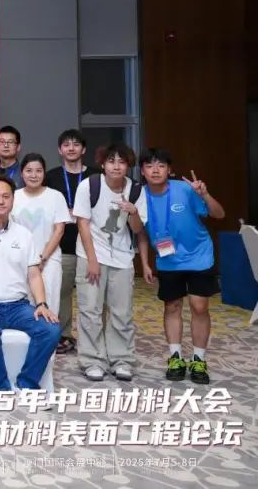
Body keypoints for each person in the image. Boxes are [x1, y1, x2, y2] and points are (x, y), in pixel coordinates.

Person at [0, 176, 60, 392]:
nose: (1, 201)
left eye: (6, 196)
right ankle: (0, 388)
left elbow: (34, 275)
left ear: (13, 200)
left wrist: (41, 304)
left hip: (19, 306)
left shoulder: (24, 235)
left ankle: (27, 383)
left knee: (51, 329)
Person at [138, 148, 225, 384]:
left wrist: (205, 194)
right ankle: (175, 357)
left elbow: (219, 214)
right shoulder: (140, 195)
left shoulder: (186, 189)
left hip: (199, 256)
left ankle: (199, 359)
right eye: (149, 166)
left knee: (199, 306)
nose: (155, 170)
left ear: (170, 170)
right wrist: (145, 263)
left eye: (161, 165)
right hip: (167, 260)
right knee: (172, 306)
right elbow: (142, 233)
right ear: (142, 171)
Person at [71, 143, 147, 382]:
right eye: (111, 161)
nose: (116, 166)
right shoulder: (90, 185)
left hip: (123, 258)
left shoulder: (136, 190)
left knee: (122, 312)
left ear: (128, 165)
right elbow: (82, 224)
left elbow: (138, 229)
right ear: (103, 164)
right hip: (90, 255)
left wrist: (133, 211)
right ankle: (92, 360)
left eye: (121, 162)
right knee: (90, 310)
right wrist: (92, 260)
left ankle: (122, 360)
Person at [44, 128, 95, 354]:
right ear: (60, 150)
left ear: (83, 149)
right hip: (62, 245)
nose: (71, 148)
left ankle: (90, 338)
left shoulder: (96, 177)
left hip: (91, 247)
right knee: (61, 294)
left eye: (76, 144)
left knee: (90, 296)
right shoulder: (51, 177)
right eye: (66, 145)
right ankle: (64, 335)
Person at [11, 154, 72, 316]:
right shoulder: (14, 197)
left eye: (38, 171)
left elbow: (59, 230)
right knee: (23, 305)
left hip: (49, 260)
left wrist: (42, 258)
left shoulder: (55, 196)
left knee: (49, 304)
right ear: (22, 173)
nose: (34, 175)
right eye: (29, 170)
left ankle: (48, 333)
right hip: (20, 260)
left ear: (44, 173)